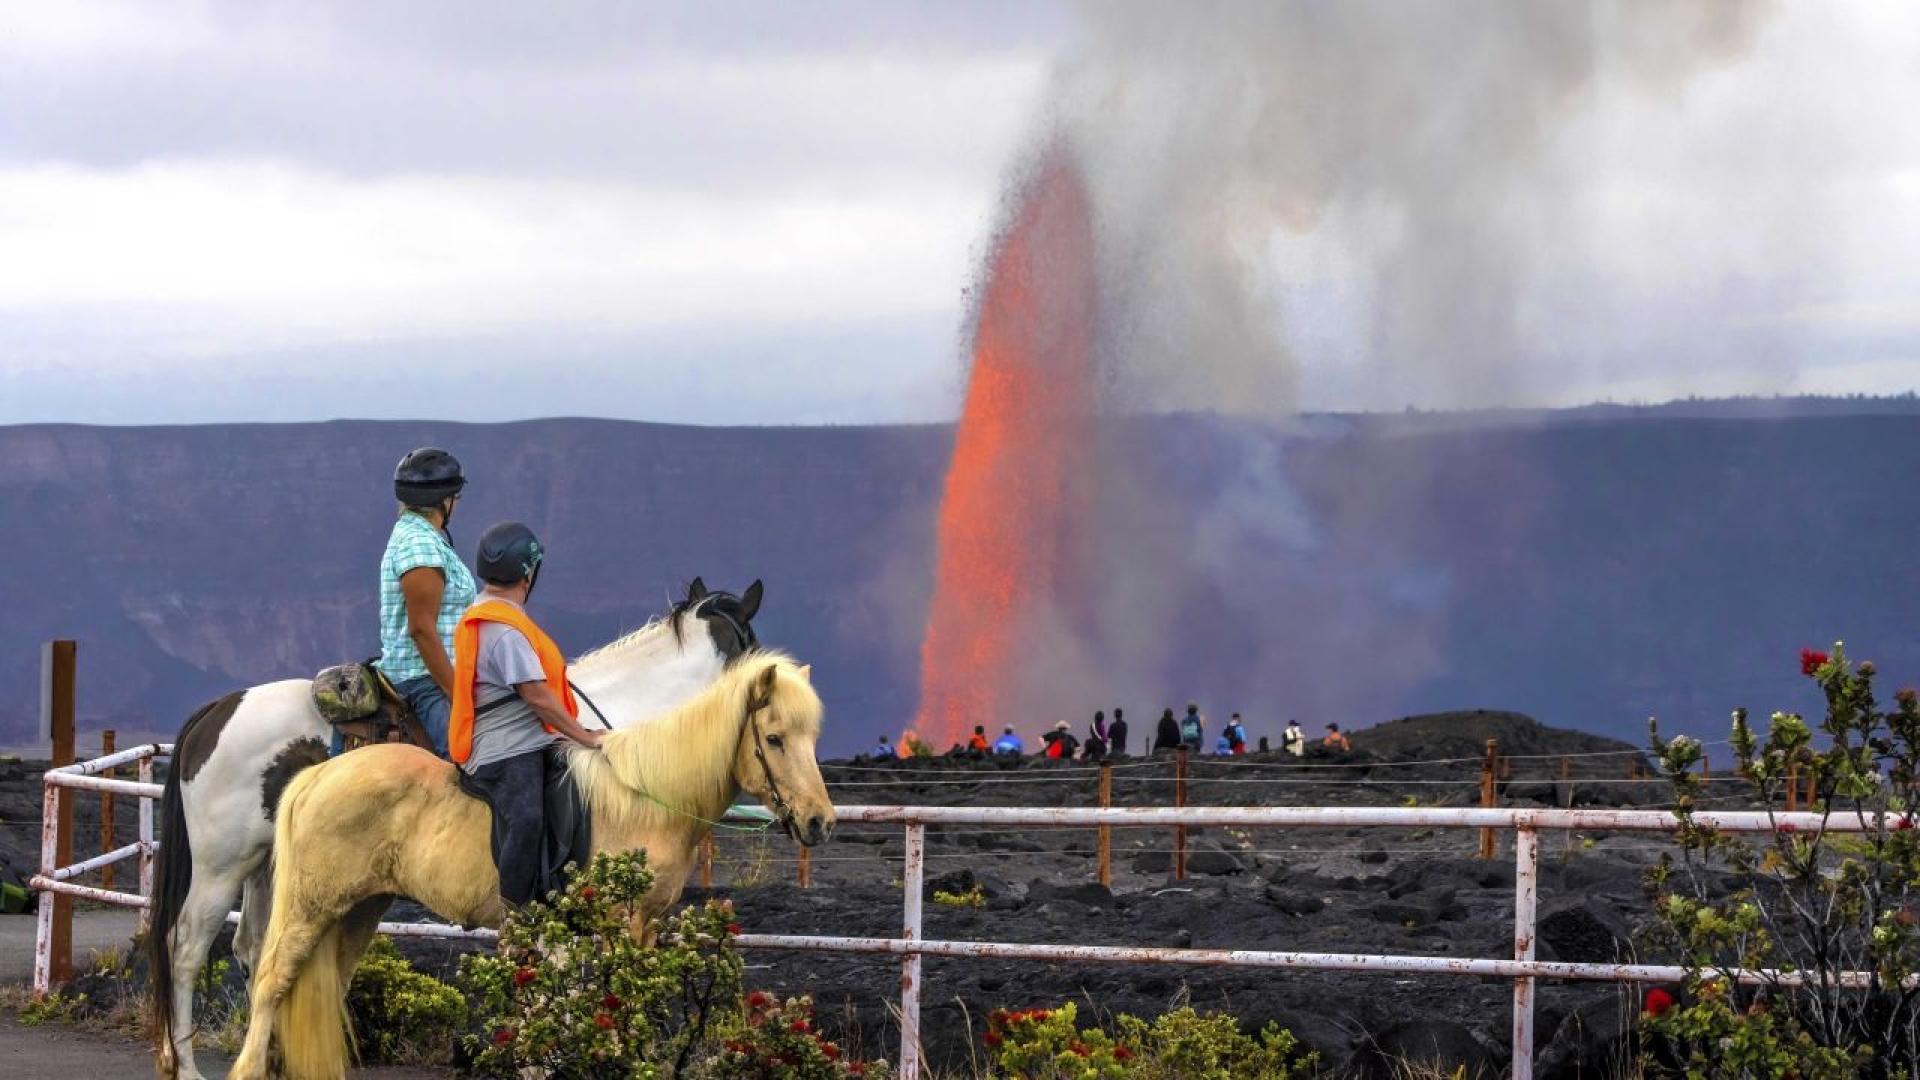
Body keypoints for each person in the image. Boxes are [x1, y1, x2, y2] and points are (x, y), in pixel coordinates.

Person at [449, 521, 605, 906]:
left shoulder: (488, 612)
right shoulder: (504, 631)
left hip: (529, 736)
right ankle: (515, 912)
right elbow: (537, 697)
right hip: (505, 747)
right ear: (529, 573)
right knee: (527, 818)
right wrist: (584, 736)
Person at [367, 447, 476, 758]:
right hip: (425, 681)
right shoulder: (421, 546)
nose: (456, 504)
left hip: (431, 675)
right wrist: (459, 698)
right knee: (471, 764)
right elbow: (422, 629)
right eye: (456, 497)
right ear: (444, 500)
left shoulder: (420, 536)